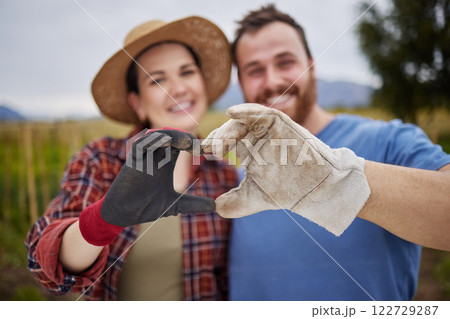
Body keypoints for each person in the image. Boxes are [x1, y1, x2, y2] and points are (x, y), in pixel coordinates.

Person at [225, 4, 450, 300]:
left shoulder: (387, 140)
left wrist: (334, 177)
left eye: (285, 62)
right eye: (254, 70)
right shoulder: (236, 181)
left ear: (311, 66)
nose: (273, 81)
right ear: (240, 83)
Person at [25, 16, 238, 301]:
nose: (177, 88)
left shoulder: (222, 175)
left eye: (187, 72)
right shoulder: (100, 161)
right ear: (137, 103)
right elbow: (45, 265)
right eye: (157, 80)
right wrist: (103, 220)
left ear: (202, 84)